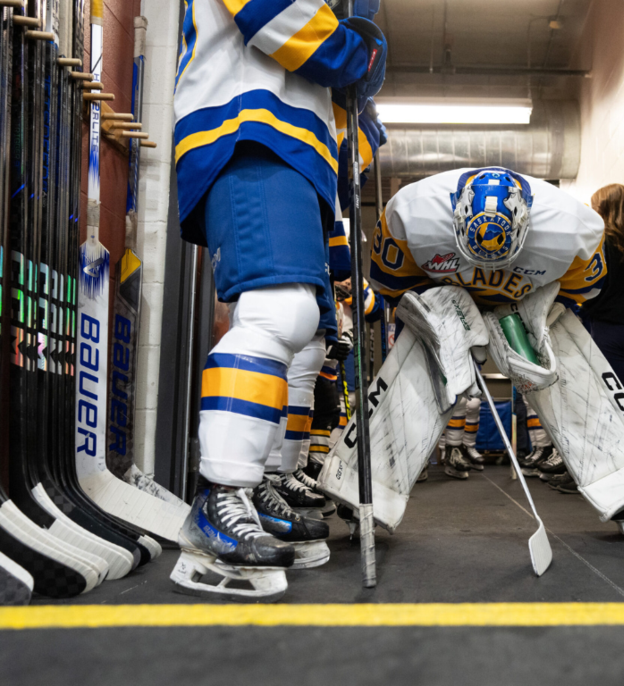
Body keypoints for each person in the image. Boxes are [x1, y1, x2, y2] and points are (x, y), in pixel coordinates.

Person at [317, 167, 624, 536]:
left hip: (523, 299)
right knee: (423, 362)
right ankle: (364, 486)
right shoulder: (409, 215)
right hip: (449, 296)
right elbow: (396, 287)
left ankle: (623, 476)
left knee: (555, 354)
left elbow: (576, 296)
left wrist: (533, 316)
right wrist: (441, 319)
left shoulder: (574, 229)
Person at [168, 0, 386, 602]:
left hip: (288, 144)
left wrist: (355, 121)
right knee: (275, 311)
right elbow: (269, 11)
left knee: (301, 329)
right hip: (249, 125)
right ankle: (219, 500)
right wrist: (352, 53)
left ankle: (255, 486)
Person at [583, 184, 624, 398]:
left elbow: (588, 287)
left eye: (595, 208)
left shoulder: (599, 243)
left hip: (607, 331)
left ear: (606, 210)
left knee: (612, 410)